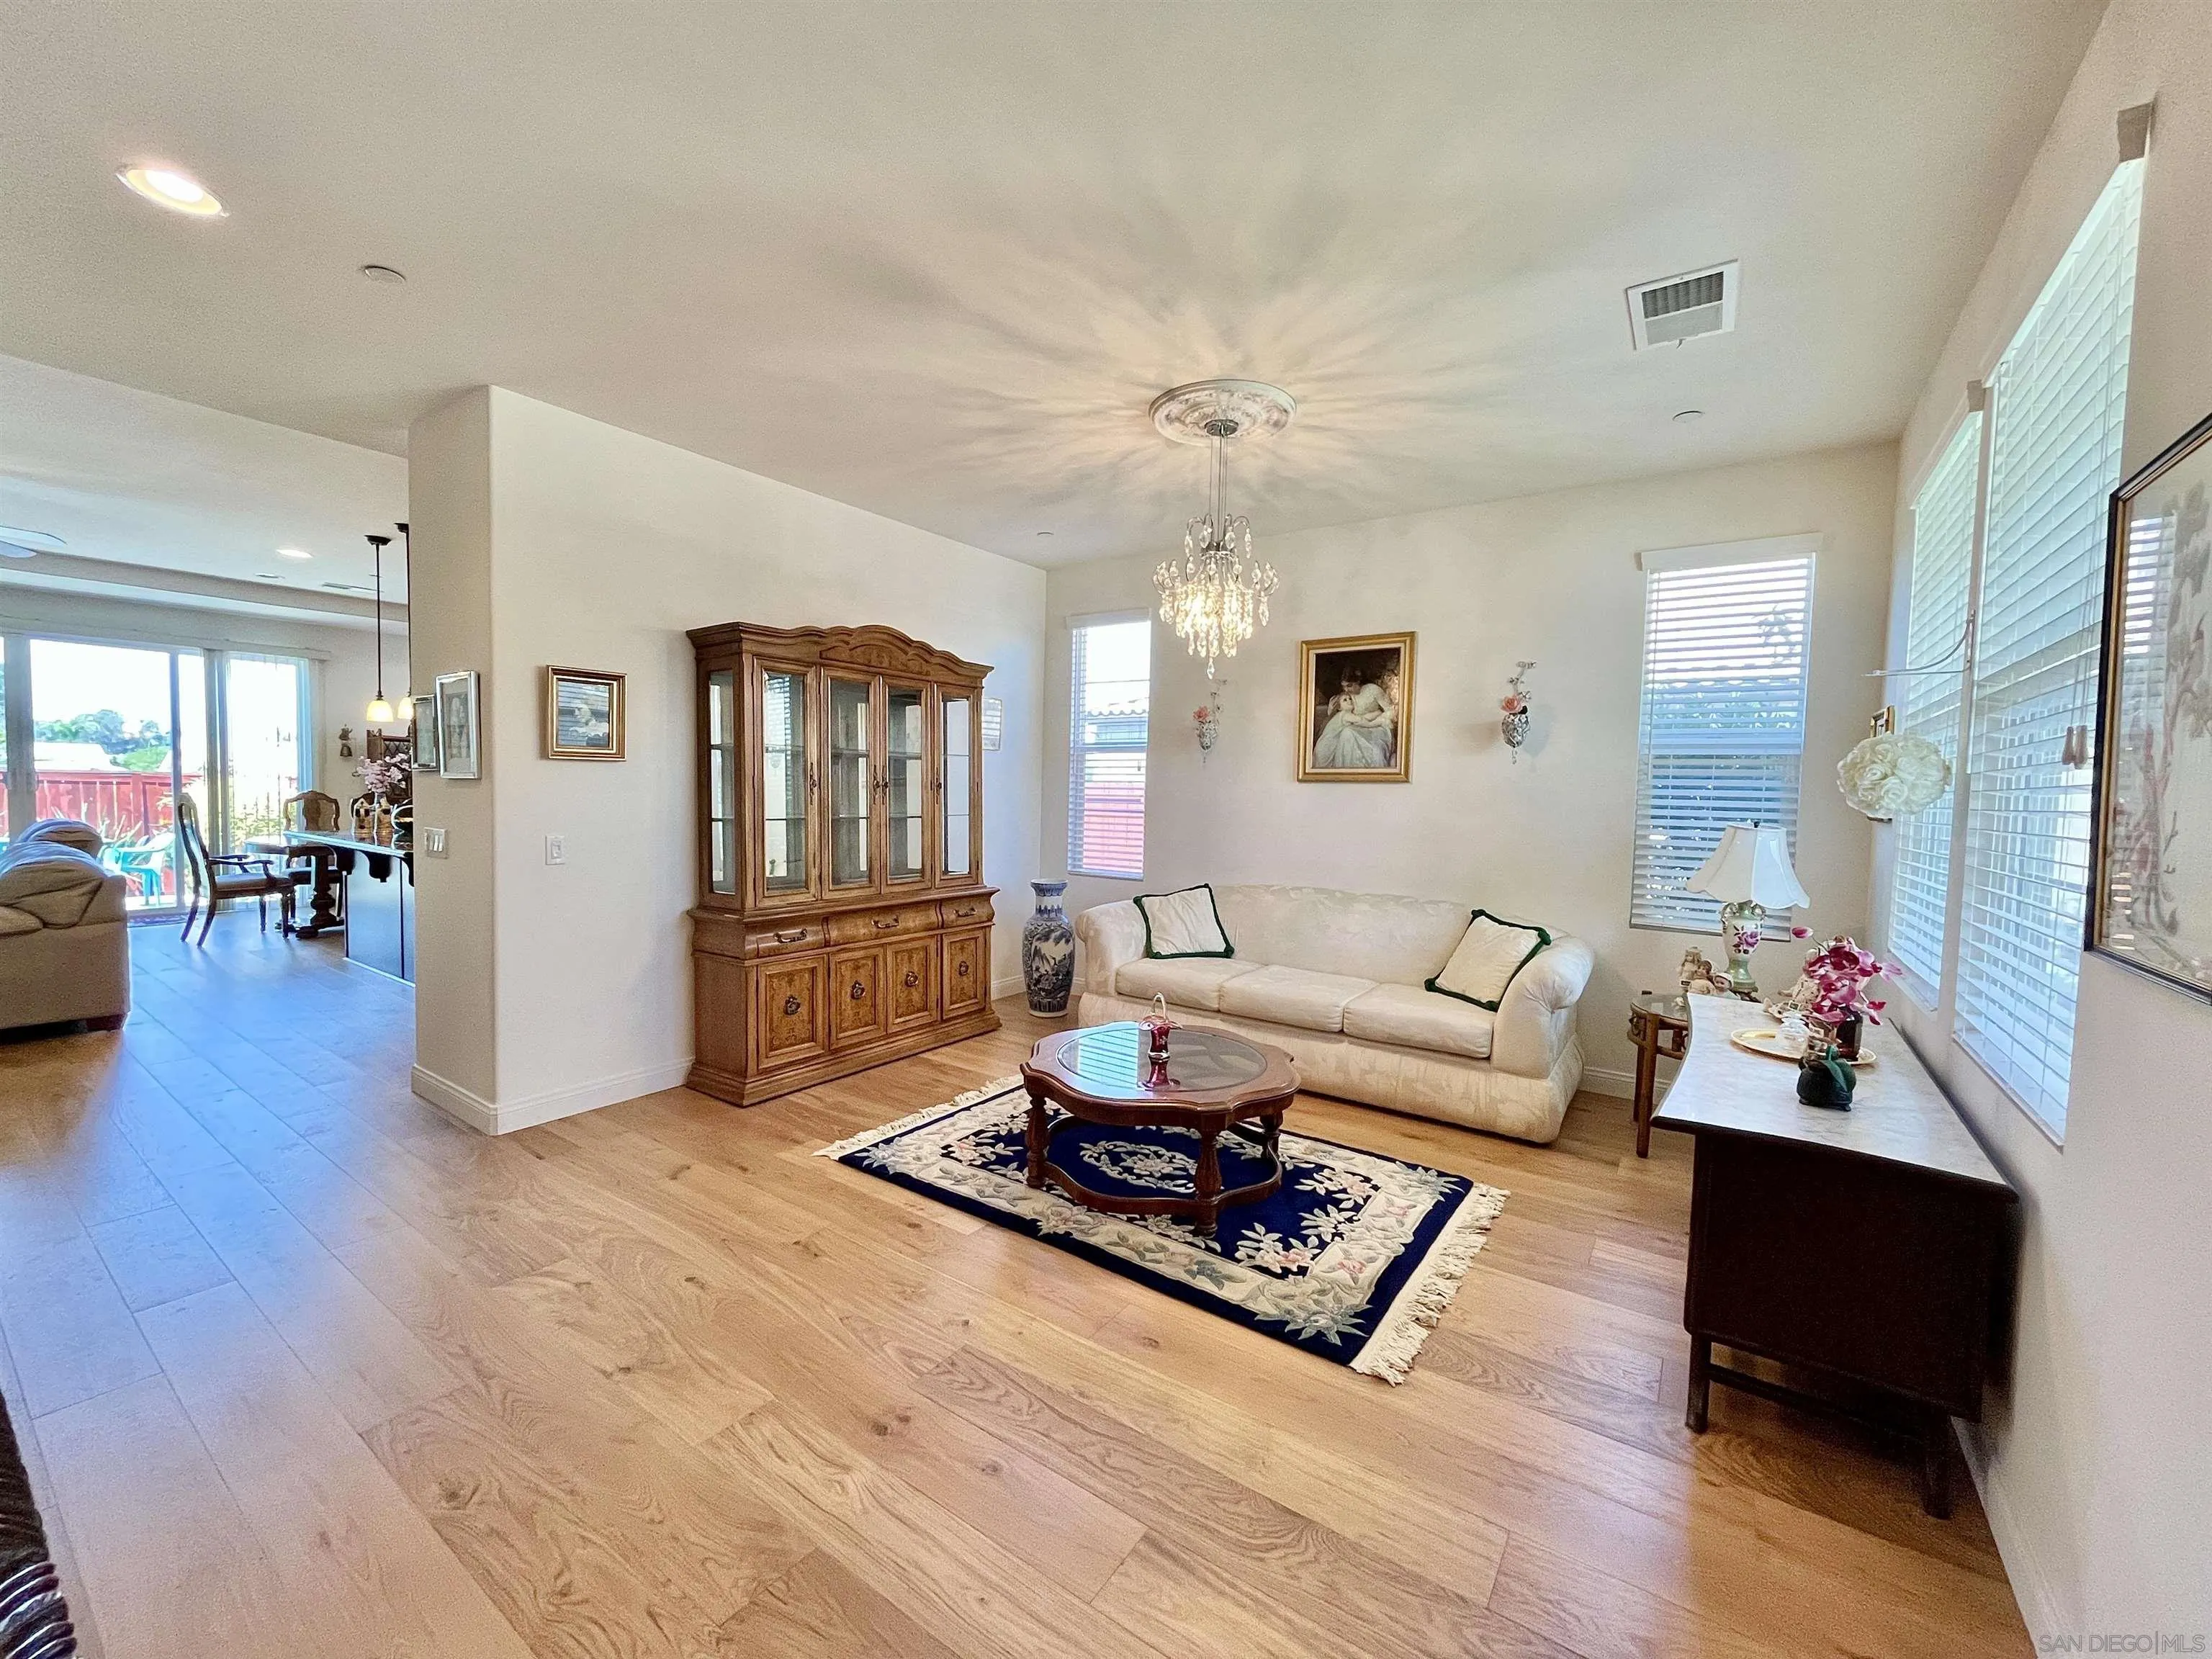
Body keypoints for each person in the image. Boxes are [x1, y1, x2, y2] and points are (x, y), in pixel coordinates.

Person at [1313, 664, 1398, 768]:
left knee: (1371, 746)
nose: (1346, 689)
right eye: (1344, 686)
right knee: (1347, 733)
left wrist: (1380, 717)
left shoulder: (1373, 690)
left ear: (1358, 682)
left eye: (1349, 685)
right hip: (1357, 726)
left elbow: (1391, 710)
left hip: (1376, 728)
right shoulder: (1347, 696)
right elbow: (1340, 714)